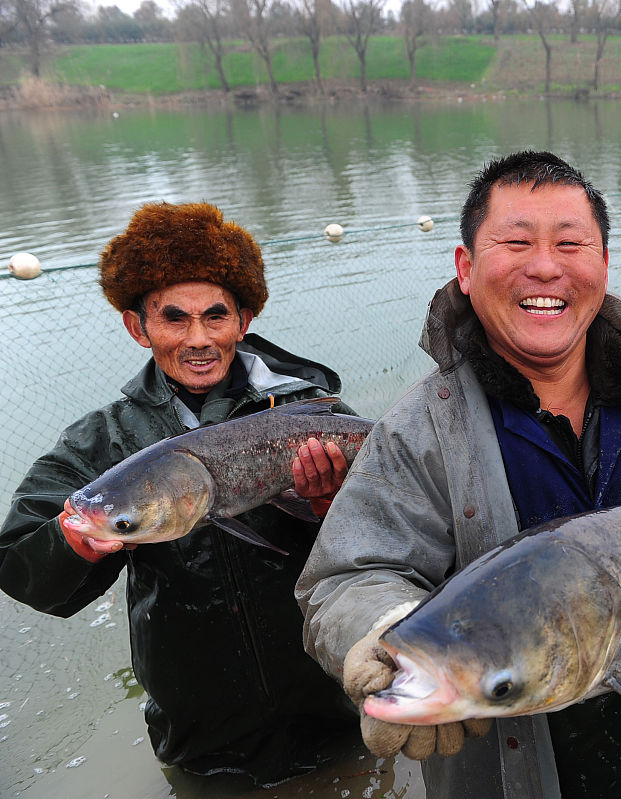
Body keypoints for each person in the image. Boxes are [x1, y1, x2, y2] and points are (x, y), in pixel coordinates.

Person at [296, 151, 621, 799]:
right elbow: (345, 578)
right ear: (465, 267)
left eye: (570, 244)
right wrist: (388, 631)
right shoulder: (417, 429)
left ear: (603, 264)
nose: (545, 266)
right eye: (516, 243)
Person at [0, 202, 359, 786]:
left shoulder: (311, 411)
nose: (199, 340)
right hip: (201, 733)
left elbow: (397, 532)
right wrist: (78, 544)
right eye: (174, 319)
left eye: (216, 316)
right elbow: (17, 566)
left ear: (243, 320)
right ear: (137, 326)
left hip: (333, 700)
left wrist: (330, 508)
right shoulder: (101, 441)